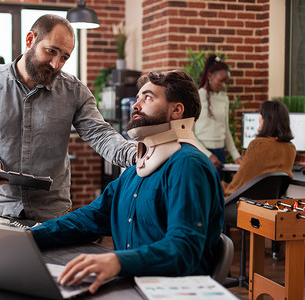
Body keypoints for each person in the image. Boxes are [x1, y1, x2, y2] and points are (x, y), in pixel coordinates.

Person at [29, 70, 225, 294]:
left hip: (173, 292)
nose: (135, 105)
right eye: (138, 97)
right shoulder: (134, 173)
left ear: (176, 110)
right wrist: (31, 237)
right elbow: (88, 219)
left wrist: (118, 262)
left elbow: (184, 249)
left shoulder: (189, 165)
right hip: (128, 287)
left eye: (148, 98)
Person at [0, 14, 136, 223]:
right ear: (30, 39)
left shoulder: (75, 92)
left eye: (64, 57)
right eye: (51, 51)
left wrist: (136, 154)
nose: (55, 64)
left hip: (52, 214)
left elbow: (100, 134)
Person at [222, 100, 296, 197]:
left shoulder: (258, 144)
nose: (259, 119)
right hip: (264, 205)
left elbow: (238, 183)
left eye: (261, 115)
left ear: (266, 119)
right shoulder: (291, 149)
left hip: (241, 202)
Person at [194, 55, 242, 176]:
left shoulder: (224, 98)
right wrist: (208, 155)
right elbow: (189, 133)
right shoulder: (196, 97)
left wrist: (236, 155)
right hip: (202, 152)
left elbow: (226, 130)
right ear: (210, 76)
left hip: (220, 155)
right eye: (221, 81)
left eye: (226, 82)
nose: (224, 85)